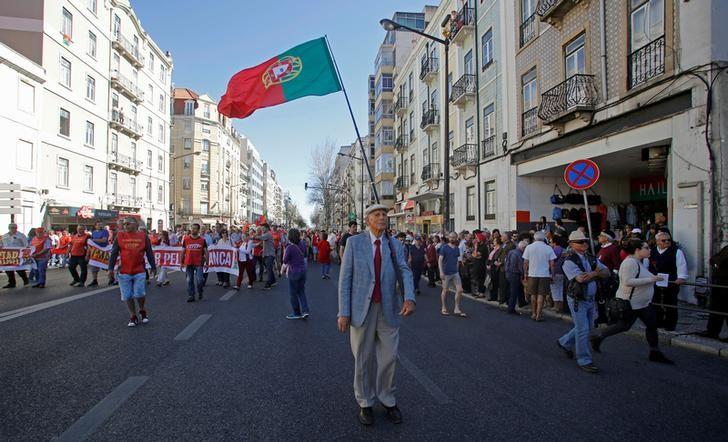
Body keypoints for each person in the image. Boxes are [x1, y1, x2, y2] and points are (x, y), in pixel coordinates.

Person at [337, 203, 416, 426]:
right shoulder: (354, 243)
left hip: (389, 307)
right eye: (377, 215)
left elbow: (404, 270)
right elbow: (345, 280)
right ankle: (365, 402)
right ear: (368, 220)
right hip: (361, 309)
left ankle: (388, 399)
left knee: (389, 358)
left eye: (385, 215)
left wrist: (410, 297)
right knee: (362, 359)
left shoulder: (394, 244)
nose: (382, 218)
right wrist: (343, 312)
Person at [590, 239, 674, 364]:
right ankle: (598, 336)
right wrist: (651, 279)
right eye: (646, 248)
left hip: (642, 303)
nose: (649, 250)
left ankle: (654, 351)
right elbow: (628, 281)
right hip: (631, 303)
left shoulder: (637, 262)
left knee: (650, 325)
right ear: (638, 250)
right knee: (624, 326)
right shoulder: (630, 263)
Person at [557, 231, 610, 374]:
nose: (584, 244)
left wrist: (593, 273)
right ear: (571, 244)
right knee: (583, 329)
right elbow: (581, 279)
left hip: (591, 298)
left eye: (585, 241)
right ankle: (584, 360)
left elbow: (607, 272)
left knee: (587, 326)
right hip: (577, 299)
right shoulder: (568, 261)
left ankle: (564, 342)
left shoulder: (591, 258)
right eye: (580, 242)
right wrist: (596, 273)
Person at [108, 217, 156, 327]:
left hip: (139, 270)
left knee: (139, 293)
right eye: (124, 224)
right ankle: (133, 316)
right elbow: (114, 253)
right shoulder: (119, 236)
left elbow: (149, 252)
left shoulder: (143, 236)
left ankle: (142, 310)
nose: (125, 226)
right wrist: (110, 269)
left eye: (128, 224)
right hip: (124, 271)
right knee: (127, 296)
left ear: (135, 224)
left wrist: (153, 267)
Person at [650, 231, 688, 331]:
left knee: (670, 302)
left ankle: (670, 324)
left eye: (668, 240)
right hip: (656, 279)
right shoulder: (652, 251)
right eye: (664, 240)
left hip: (671, 279)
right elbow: (647, 264)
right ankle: (658, 321)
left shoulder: (676, 251)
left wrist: (681, 277)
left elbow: (681, 265)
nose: (667, 242)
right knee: (656, 300)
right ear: (657, 241)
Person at [522, 231, 556, 322]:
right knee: (541, 295)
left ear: (534, 238)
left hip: (532, 274)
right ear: (544, 238)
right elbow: (552, 264)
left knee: (533, 294)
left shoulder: (529, 247)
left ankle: (533, 313)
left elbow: (525, 262)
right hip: (544, 274)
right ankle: (539, 314)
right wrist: (552, 275)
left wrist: (525, 274)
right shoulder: (548, 248)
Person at [699, 244, 728, 340]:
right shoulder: (726, 248)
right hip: (719, 284)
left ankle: (712, 332)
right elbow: (713, 259)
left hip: (724, 284)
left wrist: (717, 263)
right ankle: (712, 332)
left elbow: (718, 260)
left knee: (722, 308)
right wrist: (717, 264)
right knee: (716, 309)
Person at [283, 228, 309, 320]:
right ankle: (305, 311)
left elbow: (285, 260)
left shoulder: (289, 247)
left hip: (293, 272)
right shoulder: (302, 243)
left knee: (293, 294)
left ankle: (296, 312)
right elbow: (305, 254)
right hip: (303, 271)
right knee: (301, 291)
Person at [439, 232, 467, 318]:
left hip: (455, 272)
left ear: (456, 238)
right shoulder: (444, 248)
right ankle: (443, 307)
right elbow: (440, 260)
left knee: (460, 290)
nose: (452, 239)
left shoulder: (457, 249)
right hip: (446, 273)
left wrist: (457, 270)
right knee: (445, 290)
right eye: (451, 237)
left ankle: (456, 308)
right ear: (448, 238)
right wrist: (441, 272)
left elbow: (457, 261)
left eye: (454, 237)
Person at [182, 223, 207, 302]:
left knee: (200, 280)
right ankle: (191, 295)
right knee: (189, 280)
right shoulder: (186, 239)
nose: (193, 230)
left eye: (195, 228)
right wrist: (181, 262)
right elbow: (183, 251)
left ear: (198, 230)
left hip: (199, 263)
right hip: (189, 263)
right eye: (192, 228)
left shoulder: (202, 240)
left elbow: (206, 252)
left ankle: (200, 291)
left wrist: (208, 263)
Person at [2, 223, 30, 288]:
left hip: (18, 255)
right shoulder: (5, 236)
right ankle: (11, 283)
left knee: (19, 269)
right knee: (8, 269)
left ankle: (25, 280)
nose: (14, 229)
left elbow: (26, 245)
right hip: (8, 255)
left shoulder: (21, 235)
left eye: (15, 227)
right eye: (12, 227)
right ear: (9, 228)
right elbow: (2, 244)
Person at [505, 240, 527, 315]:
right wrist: (524, 274)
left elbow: (506, 261)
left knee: (510, 290)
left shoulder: (511, 252)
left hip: (509, 272)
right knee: (514, 292)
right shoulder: (519, 254)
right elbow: (521, 266)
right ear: (523, 247)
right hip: (515, 274)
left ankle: (511, 304)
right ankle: (511, 308)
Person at [87, 221, 110, 287]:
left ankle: (111, 278)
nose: (100, 226)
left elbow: (104, 240)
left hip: (104, 250)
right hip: (95, 251)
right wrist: (88, 254)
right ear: (95, 226)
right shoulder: (93, 232)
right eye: (99, 225)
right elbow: (90, 244)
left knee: (106, 266)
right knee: (94, 266)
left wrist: (93, 240)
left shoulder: (105, 231)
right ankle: (95, 280)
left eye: (101, 224)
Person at [257, 224, 277, 289]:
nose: (262, 229)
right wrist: (263, 250)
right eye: (261, 228)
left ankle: (268, 284)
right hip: (266, 254)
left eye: (263, 228)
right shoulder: (265, 233)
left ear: (267, 228)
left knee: (268, 269)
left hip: (270, 254)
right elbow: (264, 243)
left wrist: (252, 237)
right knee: (269, 268)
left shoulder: (267, 234)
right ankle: (273, 281)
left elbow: (261, 238)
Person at [549, 236, 567, 313]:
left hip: (555, 272)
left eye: (551, 242)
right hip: (563, 271)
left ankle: (556, 307)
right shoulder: (564, 250)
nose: (550, 243)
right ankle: (561, 306)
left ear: (555, 242)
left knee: (555, 290)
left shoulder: (554, 250)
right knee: (560, 290)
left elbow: (551, 262)